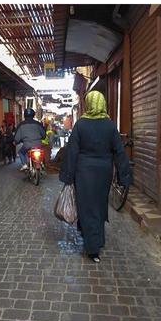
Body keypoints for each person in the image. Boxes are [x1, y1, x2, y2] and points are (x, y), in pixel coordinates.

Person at [59, 91, 131, 263]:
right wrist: (124, 176)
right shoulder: (110, 125)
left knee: (86, 206)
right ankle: (97, 240)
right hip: (104, 172)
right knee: (99, 206)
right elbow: (119, 152)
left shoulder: (80, 125)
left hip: (83, 172)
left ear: (89, 104)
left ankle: (92, 248)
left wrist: (67, 176)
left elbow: (72, 152)